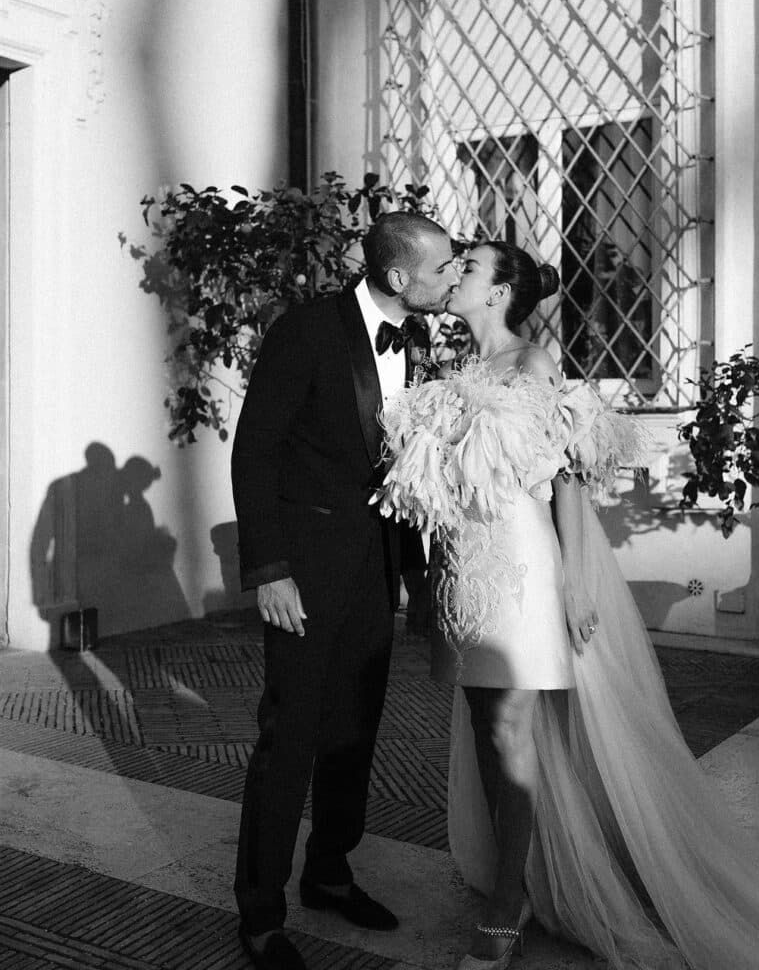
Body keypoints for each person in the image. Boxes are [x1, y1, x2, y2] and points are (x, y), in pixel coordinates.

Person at [375, 240, 759, 970]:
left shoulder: (533, 365)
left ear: (497, 293)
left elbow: (569, 483)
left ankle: (501, 917)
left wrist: (575, 579)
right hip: (462, 567)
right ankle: (519, 877)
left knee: (512, 736)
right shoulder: (446, 370)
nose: (452, 272)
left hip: (520, 566)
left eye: (468, 266)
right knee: (490, 735)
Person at [231, 211, 459, 970]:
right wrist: (268, 571)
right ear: (398, 277)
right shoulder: (306, 331)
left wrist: (417, 571)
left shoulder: (416, 340)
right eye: (441, 269)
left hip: (376, 568)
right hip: (303, 570)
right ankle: (260, 914)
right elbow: (255, 451)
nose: (451, 278)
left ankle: (329, 872)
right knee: (289, 733)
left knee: (354, 731)